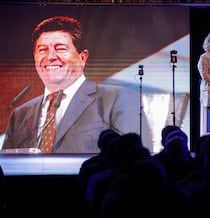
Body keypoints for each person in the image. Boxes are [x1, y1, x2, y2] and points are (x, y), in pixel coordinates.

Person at [2, 15, 135, 153]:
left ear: (82, 57)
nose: (50, 57)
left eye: (60, 48)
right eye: (42, 50)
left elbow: (128, 160)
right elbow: (6, 165)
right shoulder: (20, 114)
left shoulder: (116, 100)